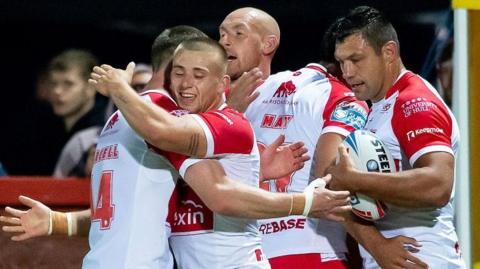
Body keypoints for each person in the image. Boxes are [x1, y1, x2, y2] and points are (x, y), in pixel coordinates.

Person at [1, 28, 351, 269]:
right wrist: (305, 203)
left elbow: (135, 208)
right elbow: (219, 195)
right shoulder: (165, 119)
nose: (190, 83)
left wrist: (58, 222)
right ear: (174, 68)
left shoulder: (116, 123)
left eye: (202, 74)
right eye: (188, 72)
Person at [219, 7, 368, 268]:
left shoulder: (323, 92)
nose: (224, 42)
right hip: (248, 256)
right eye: (220, 34)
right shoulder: (334, 94)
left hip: (304, 251)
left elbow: (333, 180)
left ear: (269, 43)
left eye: (237, 33)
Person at [327, 6, 465, 268]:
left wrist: (355, 179)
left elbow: (438, 184)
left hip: (425, 259)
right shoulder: (377, 108)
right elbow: (340, 195)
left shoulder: (414, 102)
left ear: (389, 52)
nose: (347, 72)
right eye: (341, 61)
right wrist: (377, 246)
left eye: (356, 60)